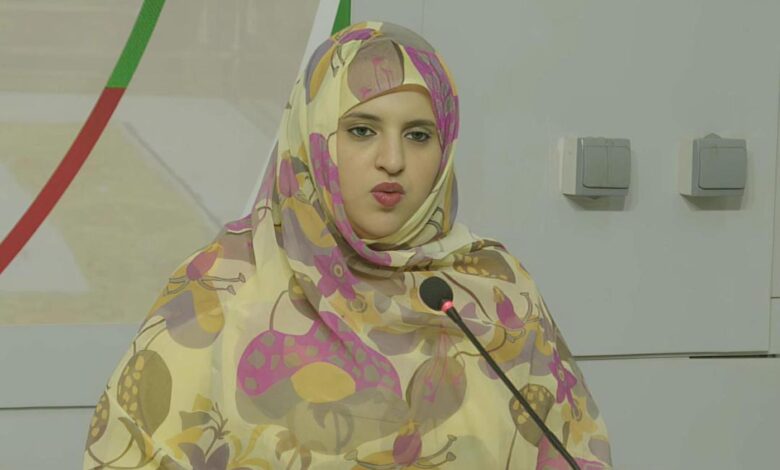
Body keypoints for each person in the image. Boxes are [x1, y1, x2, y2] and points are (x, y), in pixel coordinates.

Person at [83, 21, 612, 469]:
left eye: (418, 135)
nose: (392, 160)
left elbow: (572, 446)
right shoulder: (219, 294)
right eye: (362, 130)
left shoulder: (497, 291)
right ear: (311, 136)